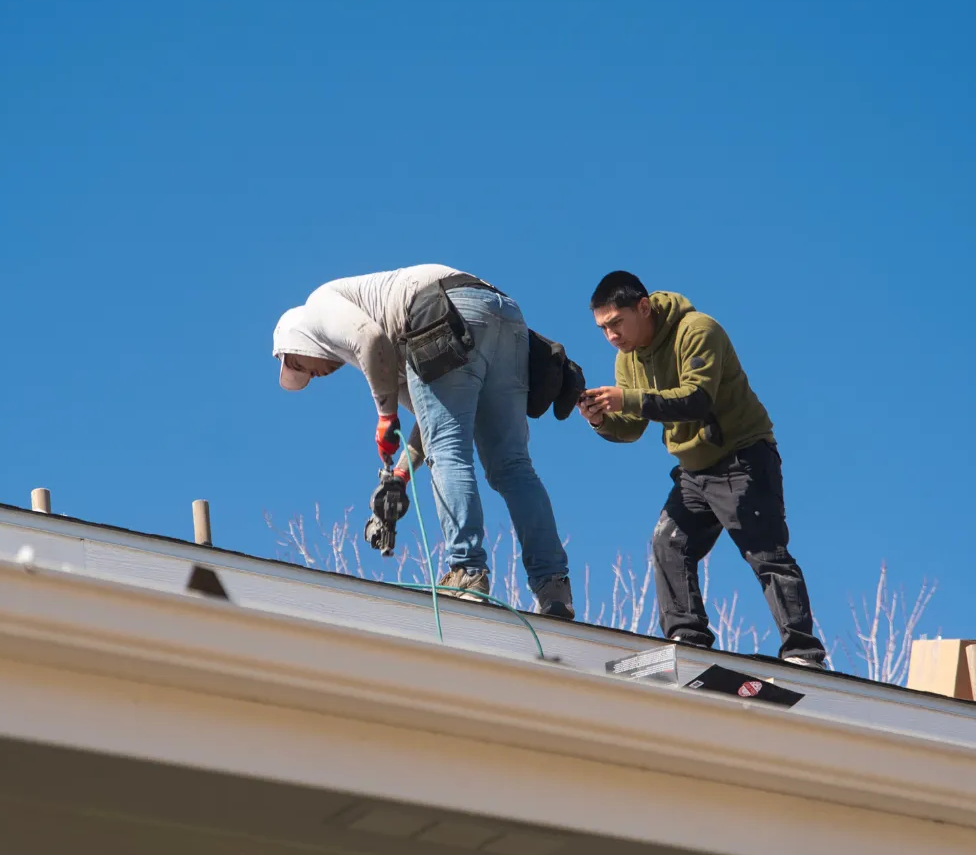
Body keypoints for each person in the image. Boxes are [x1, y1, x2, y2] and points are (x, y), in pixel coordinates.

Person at [272, 264, 574, 618]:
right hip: (502, 315)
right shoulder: (397, 359)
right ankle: (552, 586)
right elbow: (429, 425)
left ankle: (467, 572)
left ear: (297, 340)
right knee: (512, 466)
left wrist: (385, 415)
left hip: (442, 312)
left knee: (450, 453)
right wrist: (399, 477)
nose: (313, 374)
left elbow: (370, 341)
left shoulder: (317, 307)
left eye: (298, 364)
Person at [578, 270, 826, 666]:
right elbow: (631, 430)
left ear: (643, 307)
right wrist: (599, 419)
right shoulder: (627, 361)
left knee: (766, 553)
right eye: (603, 328)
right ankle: (687, 639)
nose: (611, 336)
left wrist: (630, 400)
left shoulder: (697, 329)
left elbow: (696, 400)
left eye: (617, 323)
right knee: (668, 542)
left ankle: (803, 654)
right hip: (694, 471)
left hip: (742, 457)